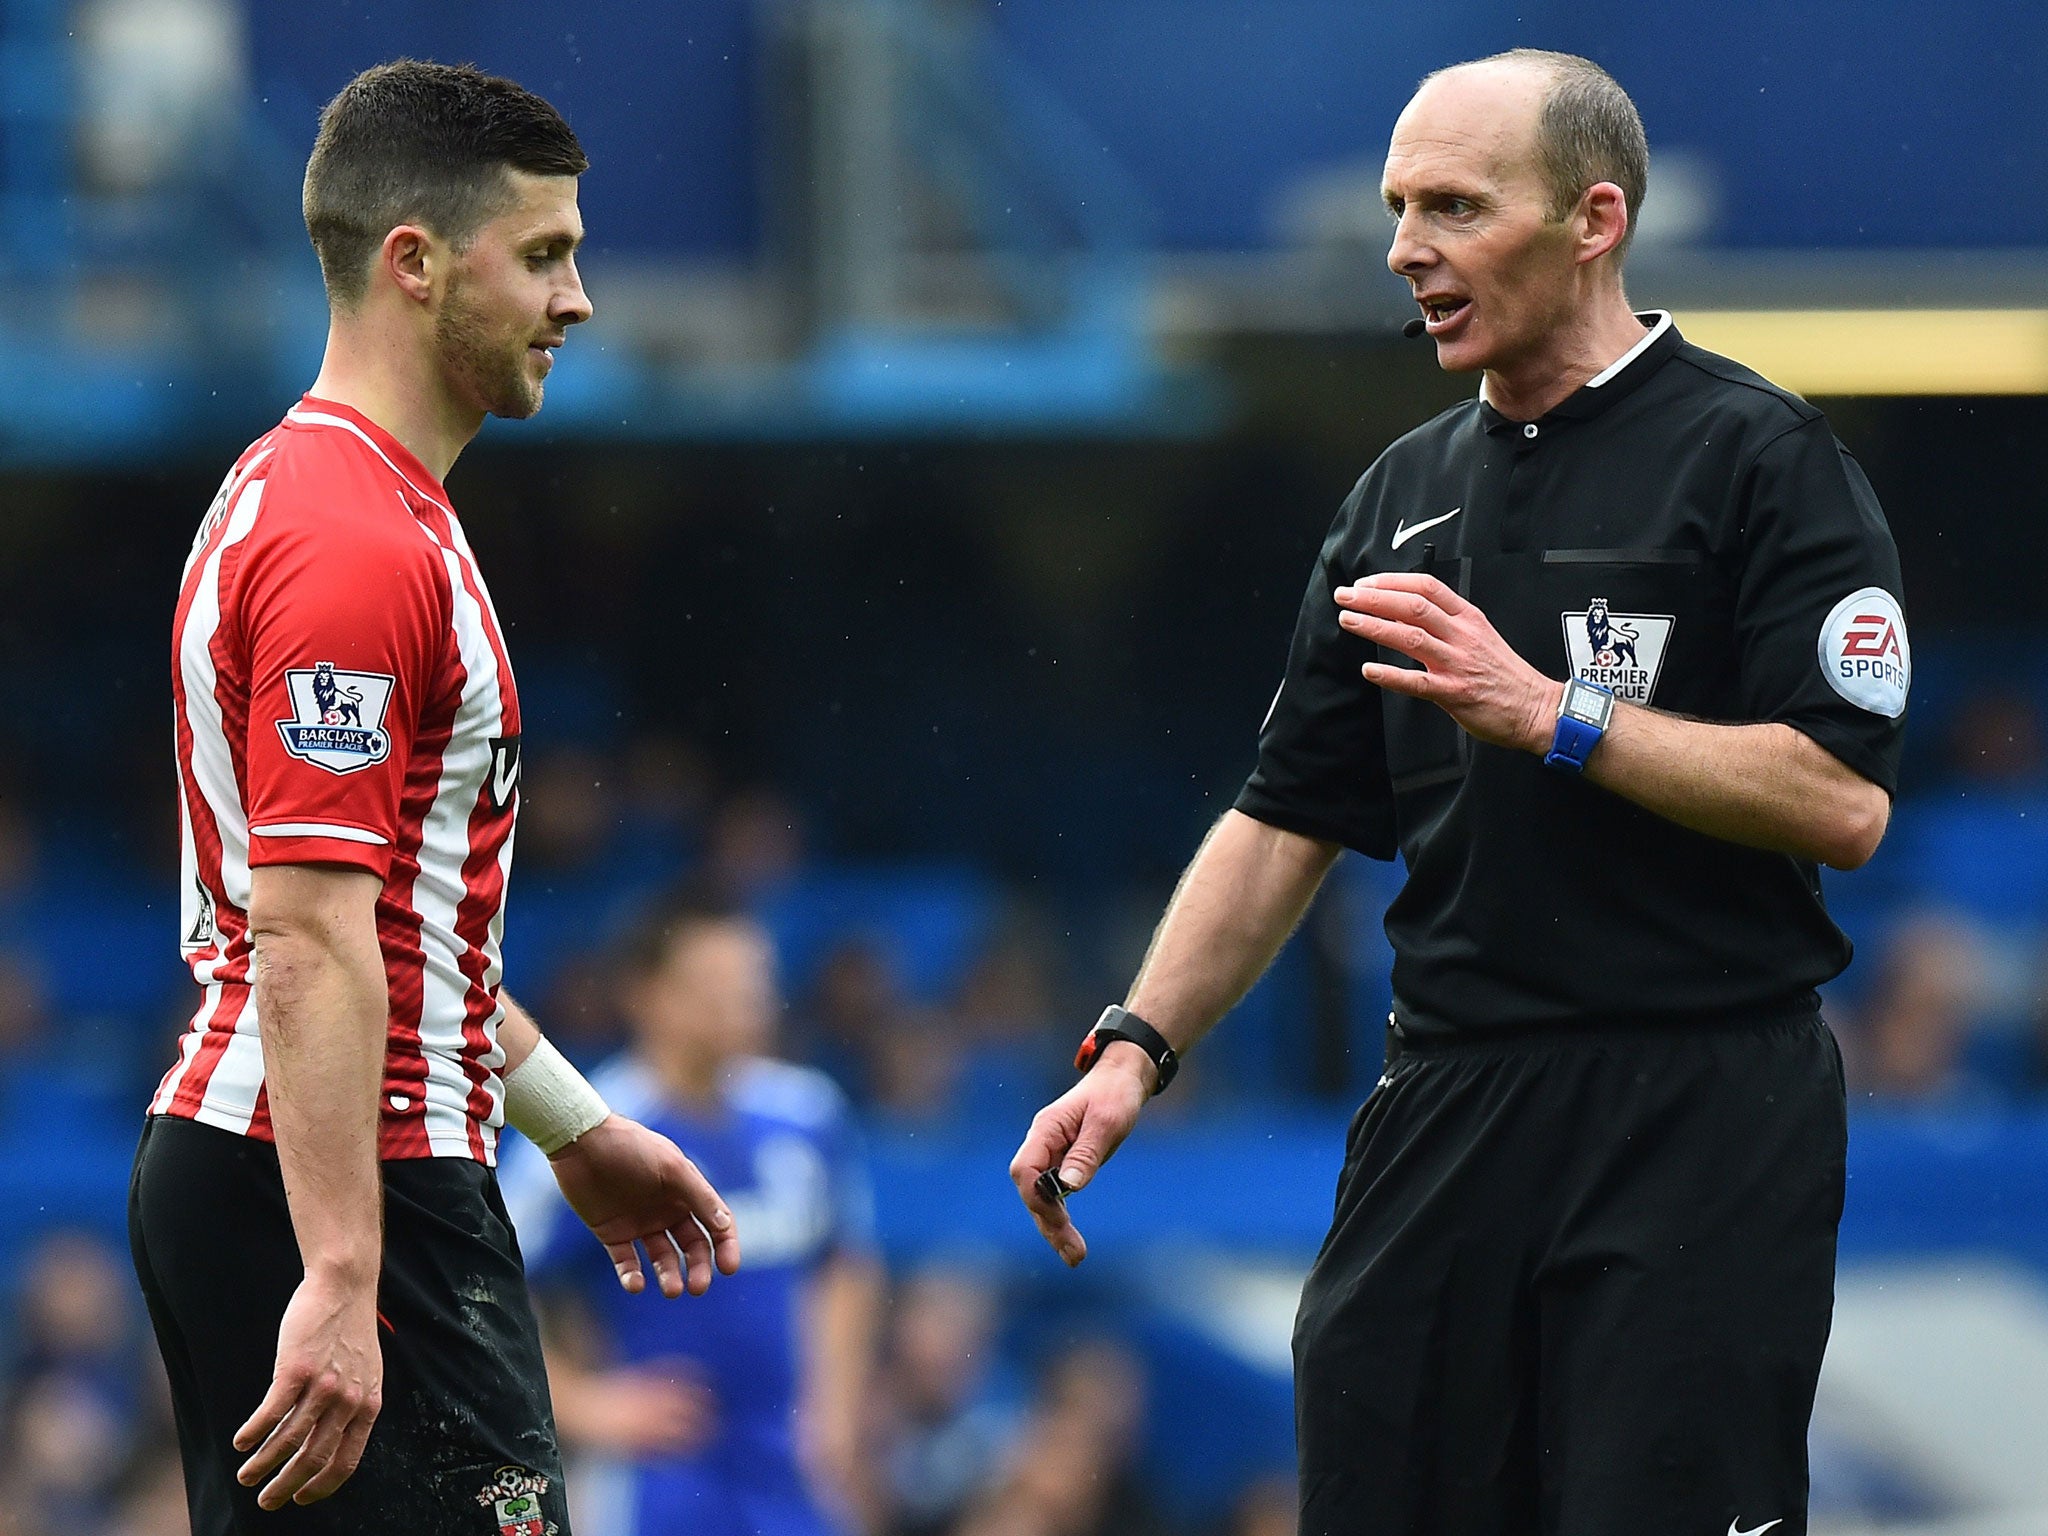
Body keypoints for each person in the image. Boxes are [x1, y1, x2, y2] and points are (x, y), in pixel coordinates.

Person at [1010, 49, 1907, 1536]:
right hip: (1449, 1100)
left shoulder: (1761, 457)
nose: (1405, 247)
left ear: (1593, 219)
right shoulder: (1395, 499)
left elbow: (1840, 800)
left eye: (1453, 206)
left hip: (1696, 1102)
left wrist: (1555, 714)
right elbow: (1288, 811)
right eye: (1396, 206)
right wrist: (1134, 1046)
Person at [130, 61, 740, 1535]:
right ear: (414, 261)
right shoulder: (352, 541)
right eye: (543, 255)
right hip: (348, 1184)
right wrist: (340, 1274)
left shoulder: (342, 499)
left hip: (316, 1160)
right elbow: (309, 937)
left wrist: (570, 1125)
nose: (578, 299)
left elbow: (395, 931)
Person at [503, 886, 884, 1536]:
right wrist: (586, 1406)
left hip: (789, 1471)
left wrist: (837, 1409)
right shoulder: (587, 1134)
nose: (744, 998)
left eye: (754, 978)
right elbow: (493, 1283)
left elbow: (845, 1262)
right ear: (646, 993)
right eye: (716, 982)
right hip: (660, 1479)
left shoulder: (807, 1114)